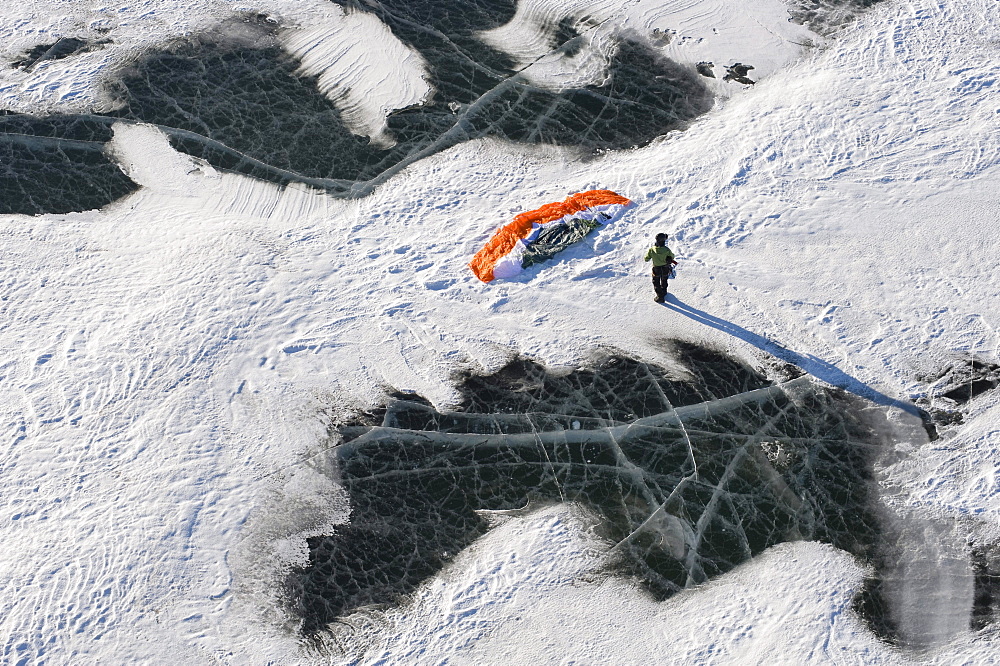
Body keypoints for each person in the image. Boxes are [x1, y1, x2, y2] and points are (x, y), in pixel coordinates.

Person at [643, 232, 678, 303]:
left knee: (656, 282)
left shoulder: (652, 250)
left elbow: (646, 259)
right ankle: (664, 291)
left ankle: (660, 296)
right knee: (664, 280)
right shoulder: (667, 250)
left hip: (656, 269)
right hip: (665, 268)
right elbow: (673, 256)